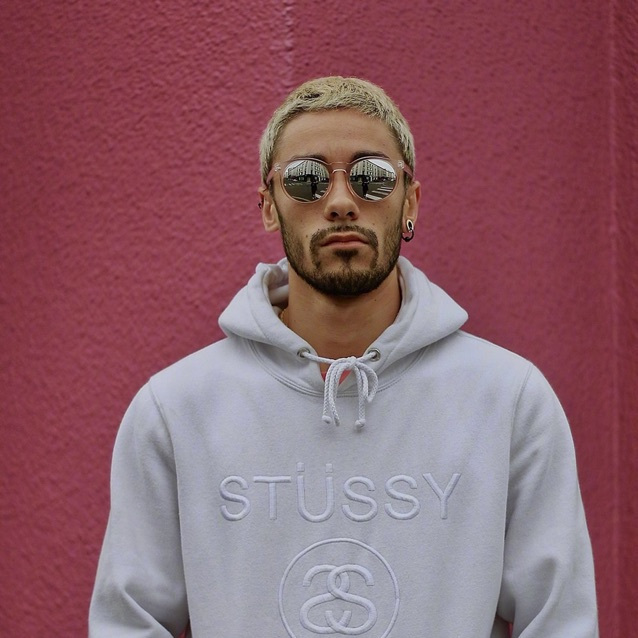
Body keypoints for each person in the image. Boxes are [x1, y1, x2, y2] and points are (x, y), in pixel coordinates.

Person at [89, 76, 599, 637]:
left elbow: (560, 622)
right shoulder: (176, 409)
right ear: (268, 206)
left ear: (410, 201)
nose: (339, 202)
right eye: (306, 179)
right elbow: (128, 623)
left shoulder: (508, 401)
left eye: (371, 177)